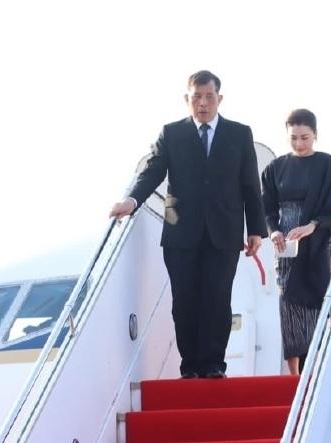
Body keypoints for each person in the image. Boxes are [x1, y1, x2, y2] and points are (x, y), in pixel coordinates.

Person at [109, 70, 267, 379]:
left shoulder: (239, 134)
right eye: (197, 97)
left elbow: (250, 184)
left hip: (224, 230)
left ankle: (214, 364)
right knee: (185, 300)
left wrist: (256, 229)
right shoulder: (172, 133)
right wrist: (132, 200)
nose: (203, 103)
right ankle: (190, 365)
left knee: (217, 298)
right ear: (187, 99)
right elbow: (152, 171)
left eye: (209, 97)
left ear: (219, 99)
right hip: (181, 231)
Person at [261, 109, 331, 375]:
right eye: (293, 138)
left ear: (315, 135)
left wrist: (313, 225)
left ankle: (321, 365)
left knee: (321, 297)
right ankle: (293, 374)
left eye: (304, 137)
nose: (299, 144)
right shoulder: (275, 168)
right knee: (287, 300)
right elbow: (266, 208)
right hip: (286, 245)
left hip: (320, 241)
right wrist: (274, 231)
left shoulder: (330, 165)